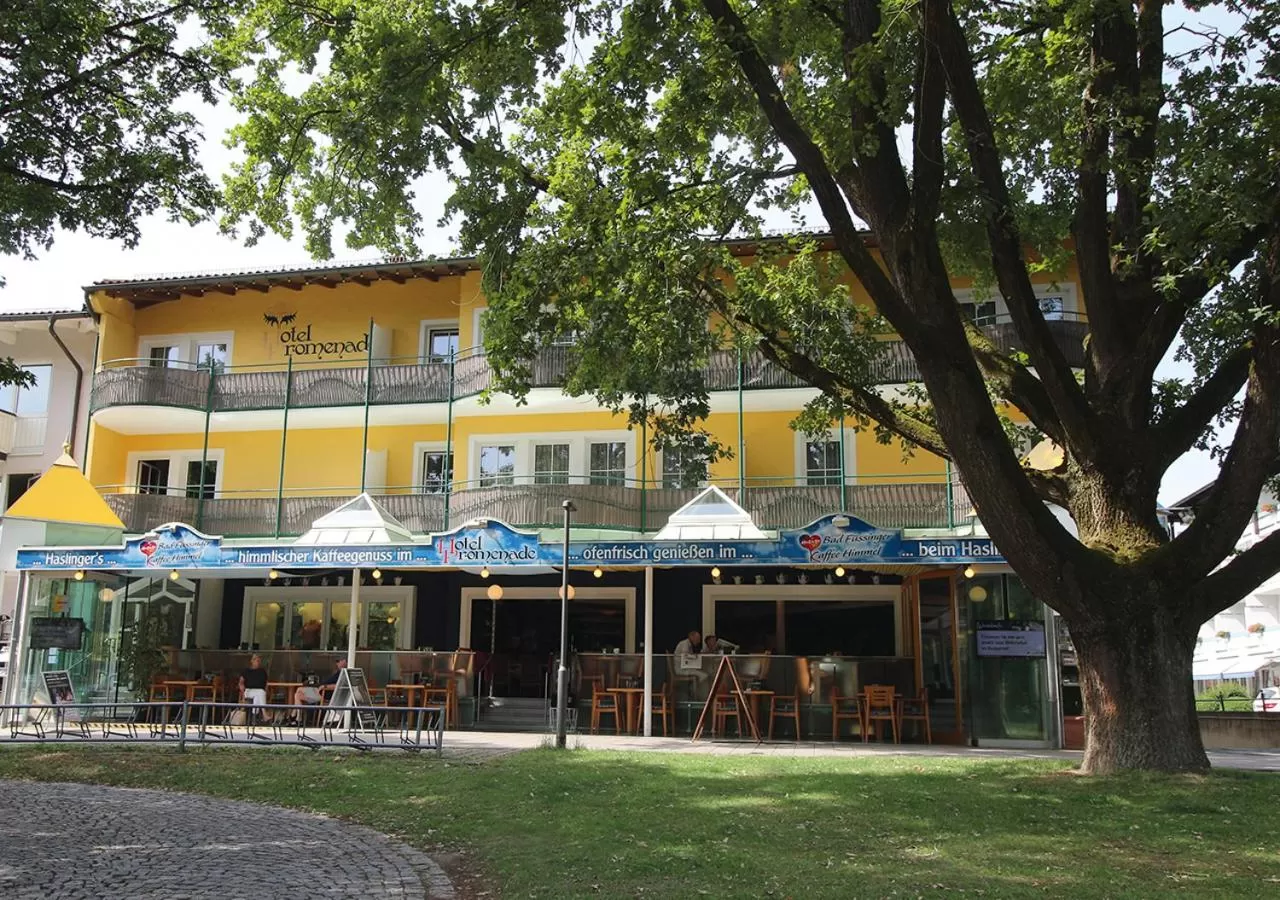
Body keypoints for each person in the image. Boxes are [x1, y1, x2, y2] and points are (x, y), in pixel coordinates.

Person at [239, 654, 269, 723]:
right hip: (248, 691)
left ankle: (254, 718)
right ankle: (264, 714)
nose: (258, 661)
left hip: (259, 692)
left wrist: (267, 693)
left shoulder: (262, 671)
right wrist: (242, 691)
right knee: (261, 693)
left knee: (258, 696)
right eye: (256, 660)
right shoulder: (246, 671)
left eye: (259, 660)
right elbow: (241, 682)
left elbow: (266, 683)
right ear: (252, 661)